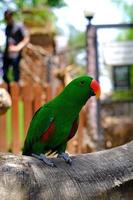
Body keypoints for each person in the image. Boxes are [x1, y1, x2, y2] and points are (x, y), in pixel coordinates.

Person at [3, 9, 29, 83]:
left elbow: (26, 38)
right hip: (7, 54)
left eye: (9, 17)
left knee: (16, 75)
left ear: (12, 16)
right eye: (6, 18)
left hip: (16, 54)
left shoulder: (19, 26)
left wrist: (18, 47)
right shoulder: (7, 28)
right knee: (4, 74)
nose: (8, 20)